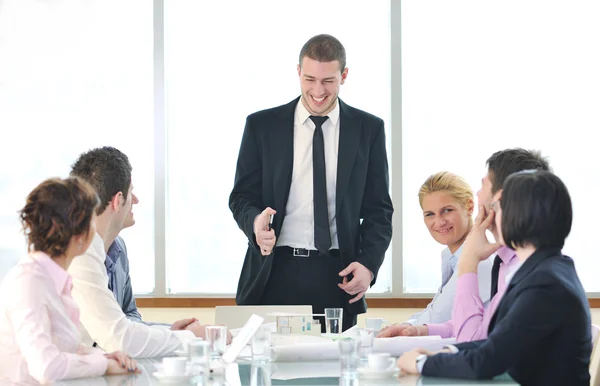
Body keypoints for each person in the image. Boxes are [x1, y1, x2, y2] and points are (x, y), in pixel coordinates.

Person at [229, 34, 393, 331]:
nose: (318, 91)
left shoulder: (369, 129)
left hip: (337, 274)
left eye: (328, 81)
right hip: (274, 271)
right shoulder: (262, 126)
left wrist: (369, 265)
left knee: (336, 373)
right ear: (298, 73)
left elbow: (379, 209)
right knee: (270, 371)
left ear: (344, 75)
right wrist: (254, 223)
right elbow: (241, 196)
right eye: (310, 79)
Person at [397, 170, 591, 386]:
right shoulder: (539, 272)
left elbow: (486, 361)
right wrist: (446, 352)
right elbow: (494, 342)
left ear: (518, 215)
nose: (487, 217)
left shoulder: (545, 284)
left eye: (495, 208)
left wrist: (421, 363)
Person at [379, 148, 549, 341]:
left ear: (500, 198)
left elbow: (469, 337)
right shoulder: (505, 263)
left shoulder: (499, 265)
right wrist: (414, 328)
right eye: (430, 214)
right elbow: (470, 325)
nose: (439, 221)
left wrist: (469, 261)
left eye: (484, 184)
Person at [68, 147, 208, 357]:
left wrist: (169, 333)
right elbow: (119, 338)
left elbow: (127, 318)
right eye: (131, 192)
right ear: (117, 200)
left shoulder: (117, 248)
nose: (136, 200)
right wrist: (191, 338)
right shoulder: (78, 255)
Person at [0, 177, 139, 384]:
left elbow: (65, 350)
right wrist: (104, 365)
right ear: (79, 234)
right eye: (92, 221)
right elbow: (46, 366)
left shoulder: (54, 281)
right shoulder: (28, 282)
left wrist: (106, 356)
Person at [402, 172, 492, 329]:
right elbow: (433, 310)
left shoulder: (479, 260)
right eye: (430, 214)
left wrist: (401, 328)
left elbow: (436, 319)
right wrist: (403, 325)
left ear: (470, 207)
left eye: (447, 210)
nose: (439, 222)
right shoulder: (452, 256)